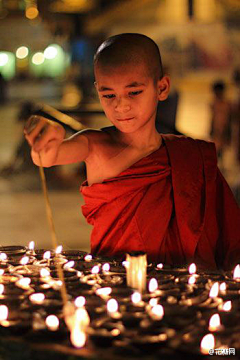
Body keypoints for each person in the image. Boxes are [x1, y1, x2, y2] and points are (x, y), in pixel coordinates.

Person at [24, 33, 240, 270]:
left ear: (162, 88)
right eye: (108, 95)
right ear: (98, 90)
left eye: (134, 92)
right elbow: (47, 157)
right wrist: (47, 137)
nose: (120, 105)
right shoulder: (96, 145)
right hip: (116, 288)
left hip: (178, 291)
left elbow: (224, 231)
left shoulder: (190, 156)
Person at [209, 80, 231, 165]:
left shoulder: (226, 105)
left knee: (221, 149)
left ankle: (220, 166)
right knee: (217, 149)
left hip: (223, 130)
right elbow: (212, 118)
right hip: (216, 130)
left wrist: (227, 132)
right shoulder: (214, 104)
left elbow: (228, 119)